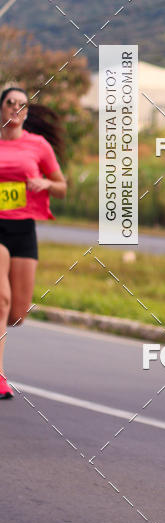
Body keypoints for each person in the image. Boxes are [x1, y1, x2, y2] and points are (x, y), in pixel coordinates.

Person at [0, 87, 67, 398]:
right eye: (10, 103)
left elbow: (61, 187)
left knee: (16, 313)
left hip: (24, 229)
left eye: (21, 104)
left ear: (26, 112)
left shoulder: (38, 146)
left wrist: (45, 183)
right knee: (1, 301)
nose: (15, 108)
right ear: (1, 109)